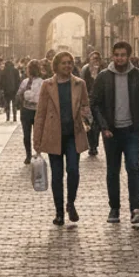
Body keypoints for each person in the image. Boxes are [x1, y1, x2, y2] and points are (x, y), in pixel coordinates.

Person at [91, 41, 139, 224]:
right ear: (112, 56)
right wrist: (103, 127)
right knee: (113, 170)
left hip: (132, 130)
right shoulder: (103, 77)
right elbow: (94, 103)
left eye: (123, 55)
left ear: (128, 56)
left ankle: (135, 208)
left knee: (133, 167)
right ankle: (114, 208)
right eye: (117, 55)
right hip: (111, 132)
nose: (120, 58)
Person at [34, 51, 91, 225]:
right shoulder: (47, 85)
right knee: (57, 175)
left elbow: (85, 105)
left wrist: (85, 117)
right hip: (53, 135)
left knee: (73, 171)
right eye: (64, 63)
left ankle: (70, 203)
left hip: (73, 134)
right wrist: (37, 141)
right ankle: (59, 212)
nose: (67, 66)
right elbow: (41, 113)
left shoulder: (79, 84)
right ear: (56, 65)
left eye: (70, 63)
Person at [17, 59, 44, 164]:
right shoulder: (42, 82)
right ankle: (38, 153)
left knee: (26, 134)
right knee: (38, 134)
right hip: (38, 111)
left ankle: (28, 155)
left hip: (26, 111)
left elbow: (19, 94)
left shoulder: (25, 82)